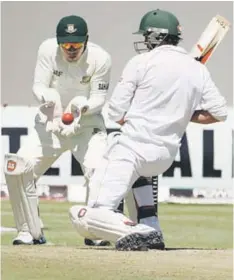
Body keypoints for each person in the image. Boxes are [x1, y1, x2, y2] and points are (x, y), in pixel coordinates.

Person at [69, 9, 228, 251]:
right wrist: (183, 116)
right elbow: (219, 112)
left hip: (132, 150)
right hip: (163, 157)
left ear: (155, 37)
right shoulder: (198, 70)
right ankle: (151, 224)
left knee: (84, 215)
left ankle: (136, 231)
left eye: (146, 36)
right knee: (138, 173)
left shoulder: (141, 63)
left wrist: (136, 116)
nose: (144, 41)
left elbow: (115, 113)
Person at [4, 15, 111, 245]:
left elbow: (99, 98)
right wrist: (48, 100)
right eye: (65, 44)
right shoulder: (47, 50)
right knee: (18, 167)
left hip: (86, 124)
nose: (70, 49)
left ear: (86, 41)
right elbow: (39, 85)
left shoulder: (101, 58)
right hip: (50, 123)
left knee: (99, 170)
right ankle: (28, 231)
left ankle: (95, 232)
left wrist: (83, 107)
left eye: (76, 45)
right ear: (58, 42)